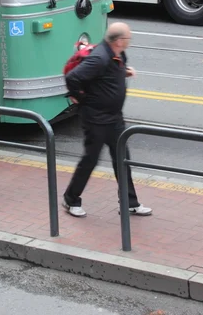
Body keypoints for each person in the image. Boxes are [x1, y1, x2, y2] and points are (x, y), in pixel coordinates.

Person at [63, 22, 152, 218]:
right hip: (96, 119)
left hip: (114, 118)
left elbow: (109, 74)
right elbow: (73, 78)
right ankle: (71, 199)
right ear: (119, 41)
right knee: (90, 159)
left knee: (122, 158)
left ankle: (129, 203)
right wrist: (83, 99)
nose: (129, 41)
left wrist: (124, 72)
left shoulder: (117, 54)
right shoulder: (99, 57)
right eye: (128, 38)